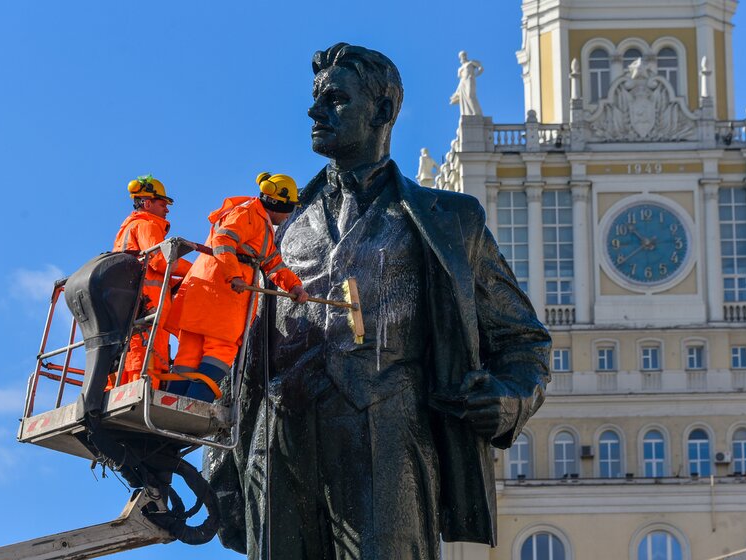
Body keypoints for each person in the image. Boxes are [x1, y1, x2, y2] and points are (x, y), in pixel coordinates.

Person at [206, 43, 551, 560]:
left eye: (336, 99)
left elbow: (523, 341)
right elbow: (236, 342)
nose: (315, 111)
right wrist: (215, 450)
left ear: (384, 111)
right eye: (316, 98)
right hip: (278, 444)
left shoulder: (448, 220)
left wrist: (508, 397)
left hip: (389, 438)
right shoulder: (277, 223)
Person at [166, 172, 309, 402]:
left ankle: (170, 407)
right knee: (220, 351)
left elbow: (272, 264)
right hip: (221, 296)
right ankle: (191, 411)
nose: (288, 216)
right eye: (290, 208)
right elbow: (223, 241)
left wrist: (294, 286)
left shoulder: (255, 219)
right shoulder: (248, 215)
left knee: (189, 354)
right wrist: (233, 275)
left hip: (202, 292)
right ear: (278, 203)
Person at [112, 174, 192, 389]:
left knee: (130, 358)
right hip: (149, 307)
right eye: (162, 203)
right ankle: (144, 393)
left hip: (135, 306)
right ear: (147, 203)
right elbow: (162, 262)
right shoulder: (147, 225)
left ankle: (123, 393)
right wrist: (196, 270)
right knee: (148, 358)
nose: (167, 209)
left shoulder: (128, 229)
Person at [449, 50, 484, 116]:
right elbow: (461, 80)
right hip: (463, 83)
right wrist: (457, 91)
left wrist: (475, 75)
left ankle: (477, 113)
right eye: (461, 56)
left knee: (470, 96)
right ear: (460, 57)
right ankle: (468, 113)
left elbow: (481, 68)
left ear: (466, 55)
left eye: (464, 55)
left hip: (469, 80)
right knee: (464, 99)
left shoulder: (471, 62)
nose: (463, 56)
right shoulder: (460, 69)